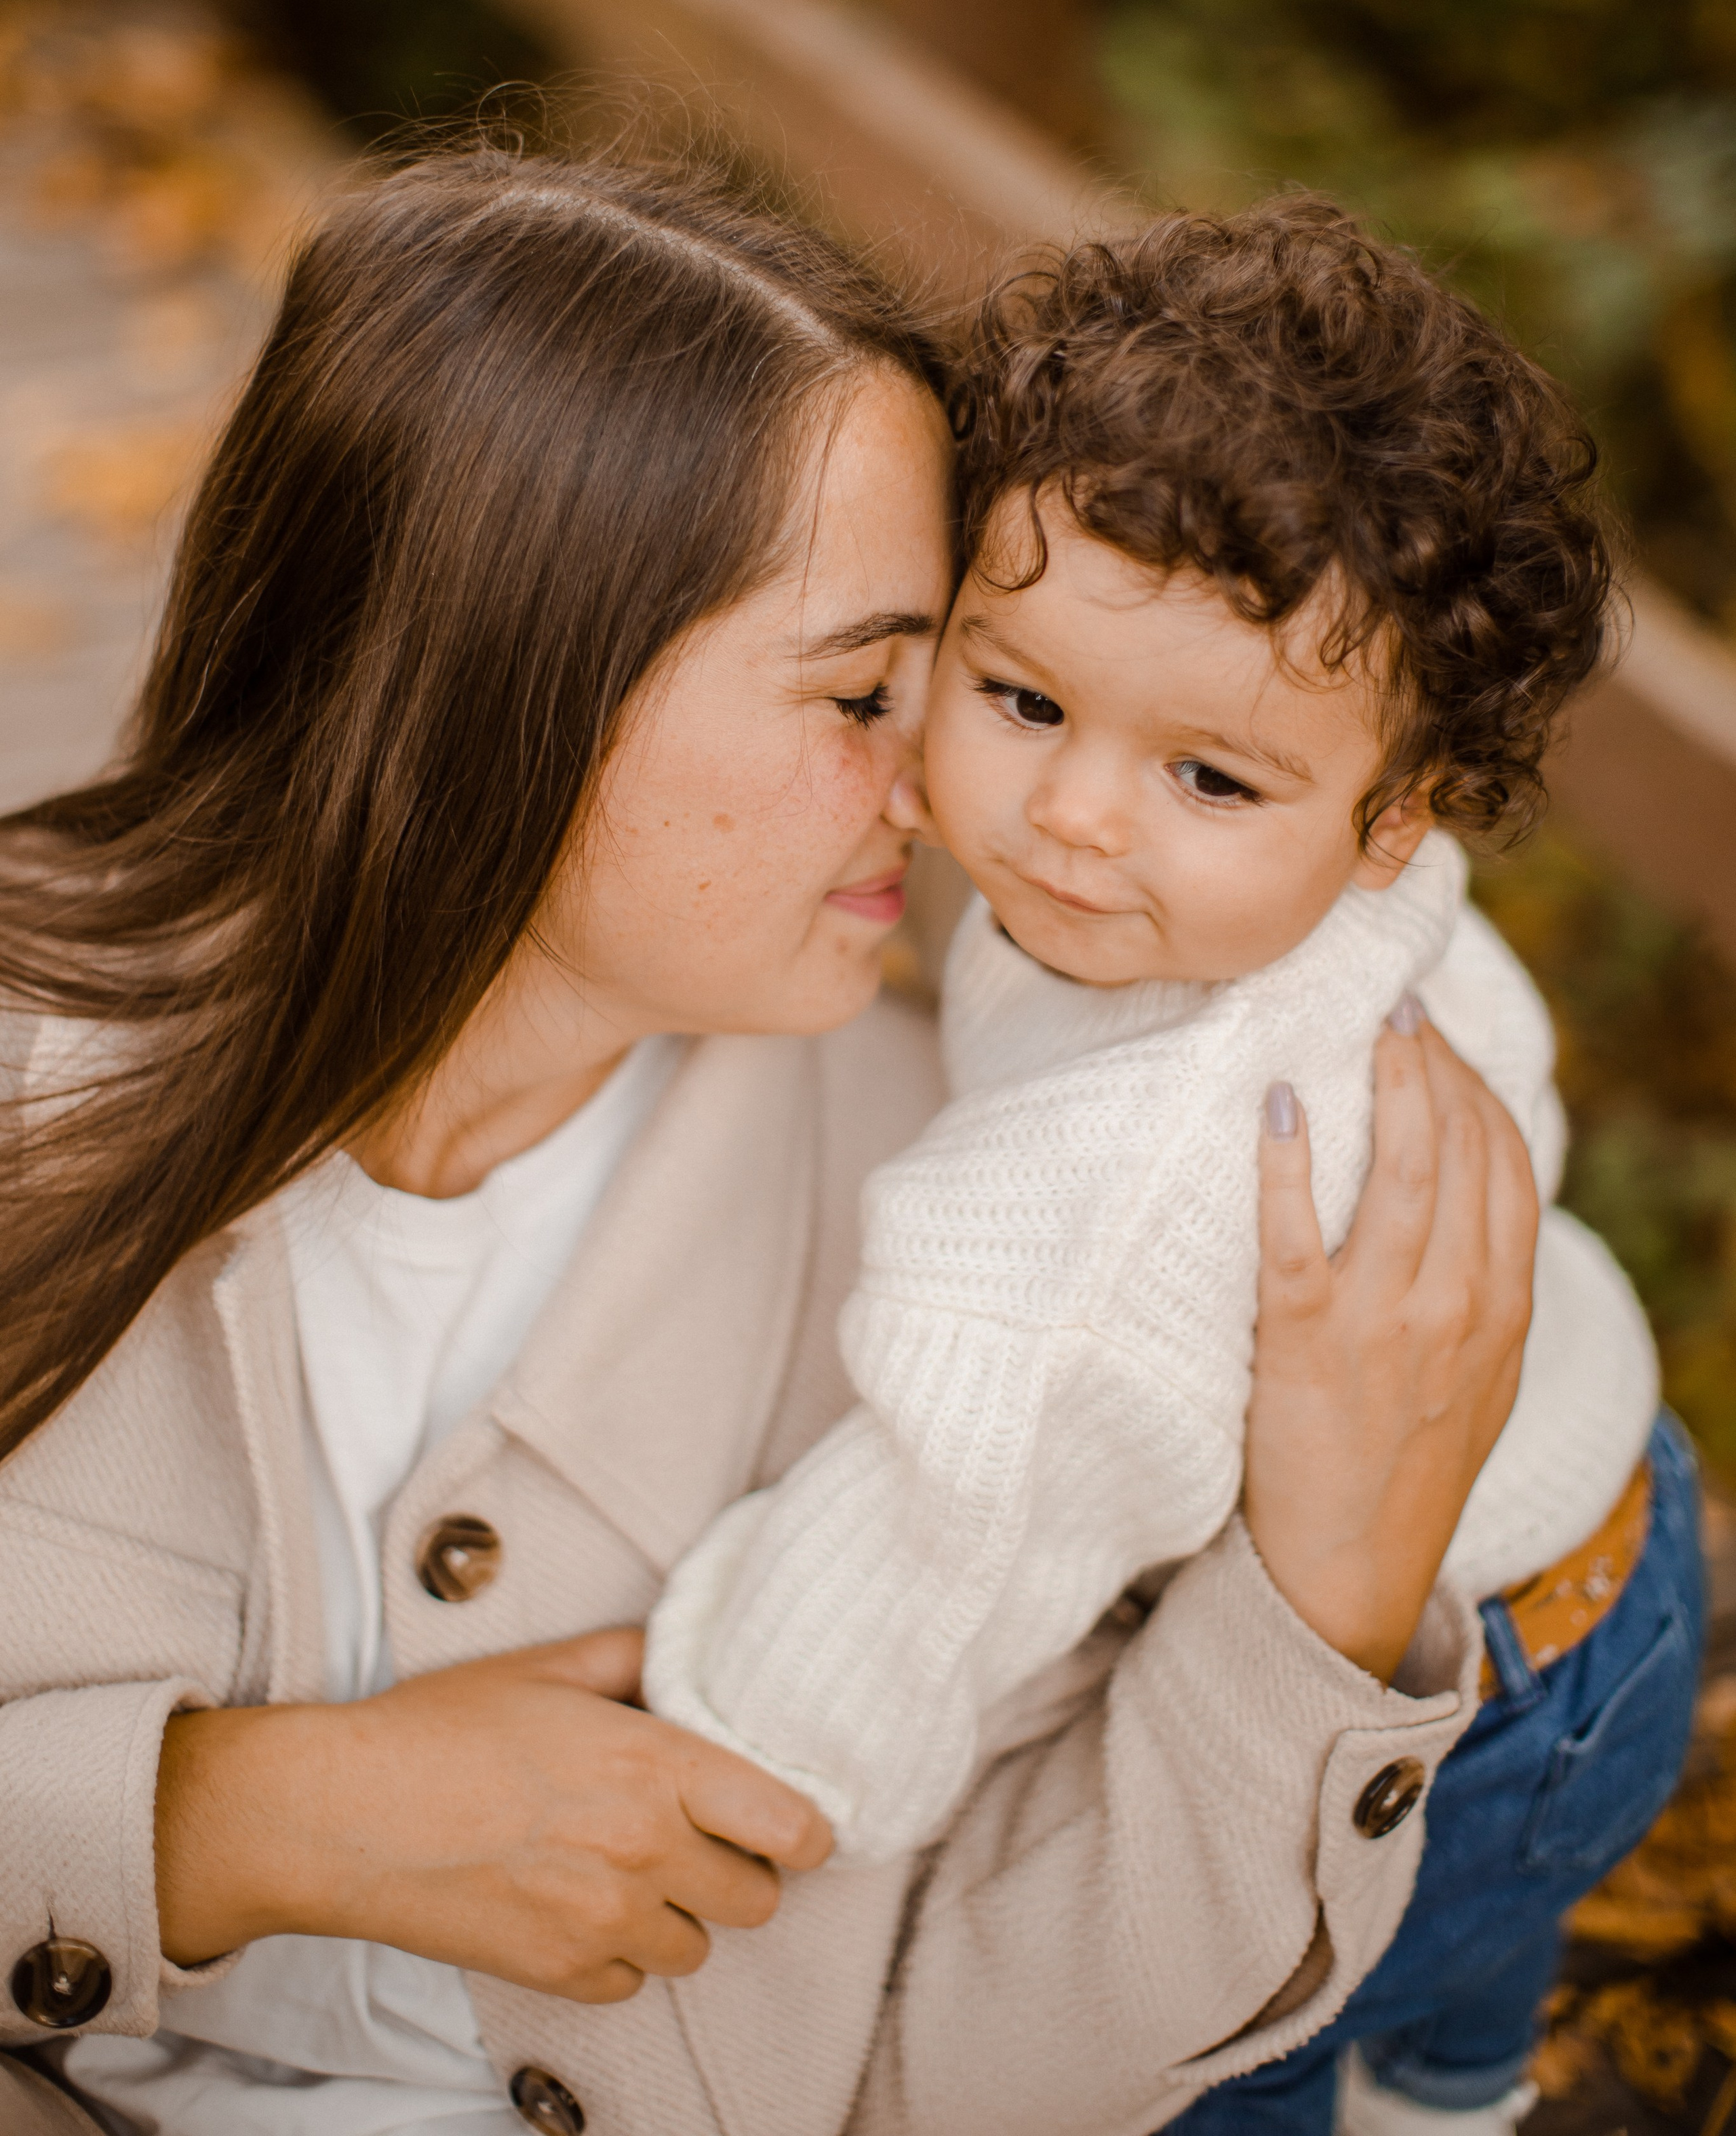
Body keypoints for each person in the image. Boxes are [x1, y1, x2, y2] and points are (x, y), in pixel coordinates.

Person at [0, 148, 1537, 2136]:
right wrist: (227, 1818)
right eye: (869, 689)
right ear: (505, 677)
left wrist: (1322, 1601)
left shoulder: (962, 1240)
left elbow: (966, 2067)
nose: (951, 797)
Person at [644, 199, 1701, 2135]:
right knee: (1463, 2009)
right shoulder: (1323, 877)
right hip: (1622, 1533)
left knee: (1234, 2041)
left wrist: (712, 1728)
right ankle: (1465, 2089)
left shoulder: (1116, 1197)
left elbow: (941, 1555)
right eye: (1024, 697)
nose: (1067, 817)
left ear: (1397, 820)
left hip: (1457, 1714)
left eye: (1207, 779)